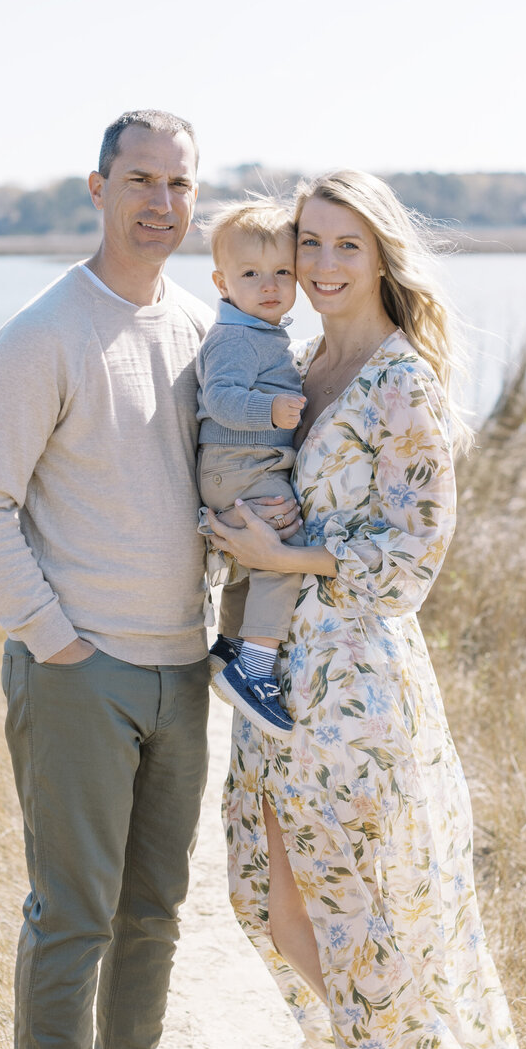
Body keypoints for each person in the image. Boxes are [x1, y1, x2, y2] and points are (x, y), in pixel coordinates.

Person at [0, 109, 299, 1049]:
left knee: (155, 903)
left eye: (179, 184)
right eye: (140, 178)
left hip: (180, 663)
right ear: (97, 187)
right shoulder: (43, 333)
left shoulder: (204, 327)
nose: (160, 200)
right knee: (74, 907)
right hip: (79, 669)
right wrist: (52, 638)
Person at [206, 169, 522, 1049]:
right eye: (310, 245)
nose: (324, 265)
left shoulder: (401, 379)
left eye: (347, 245)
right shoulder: (302, 360)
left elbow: (415, 554)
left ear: (383, 255)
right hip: (279, 666)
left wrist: (288, 559)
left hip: (352, 673)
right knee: (268, 887)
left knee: (342, 892)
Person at [196, 201, 308, 739]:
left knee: (252, 562)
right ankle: (256, 667)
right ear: (221, 282)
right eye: (250, 274)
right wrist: (267, 411)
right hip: (238, 465)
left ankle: (230, 645)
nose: (270, 286)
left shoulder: (259, 333)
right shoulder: (237, 338)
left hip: (238, 466)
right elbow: (219, 397)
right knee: (283, 550)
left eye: (282, 273)